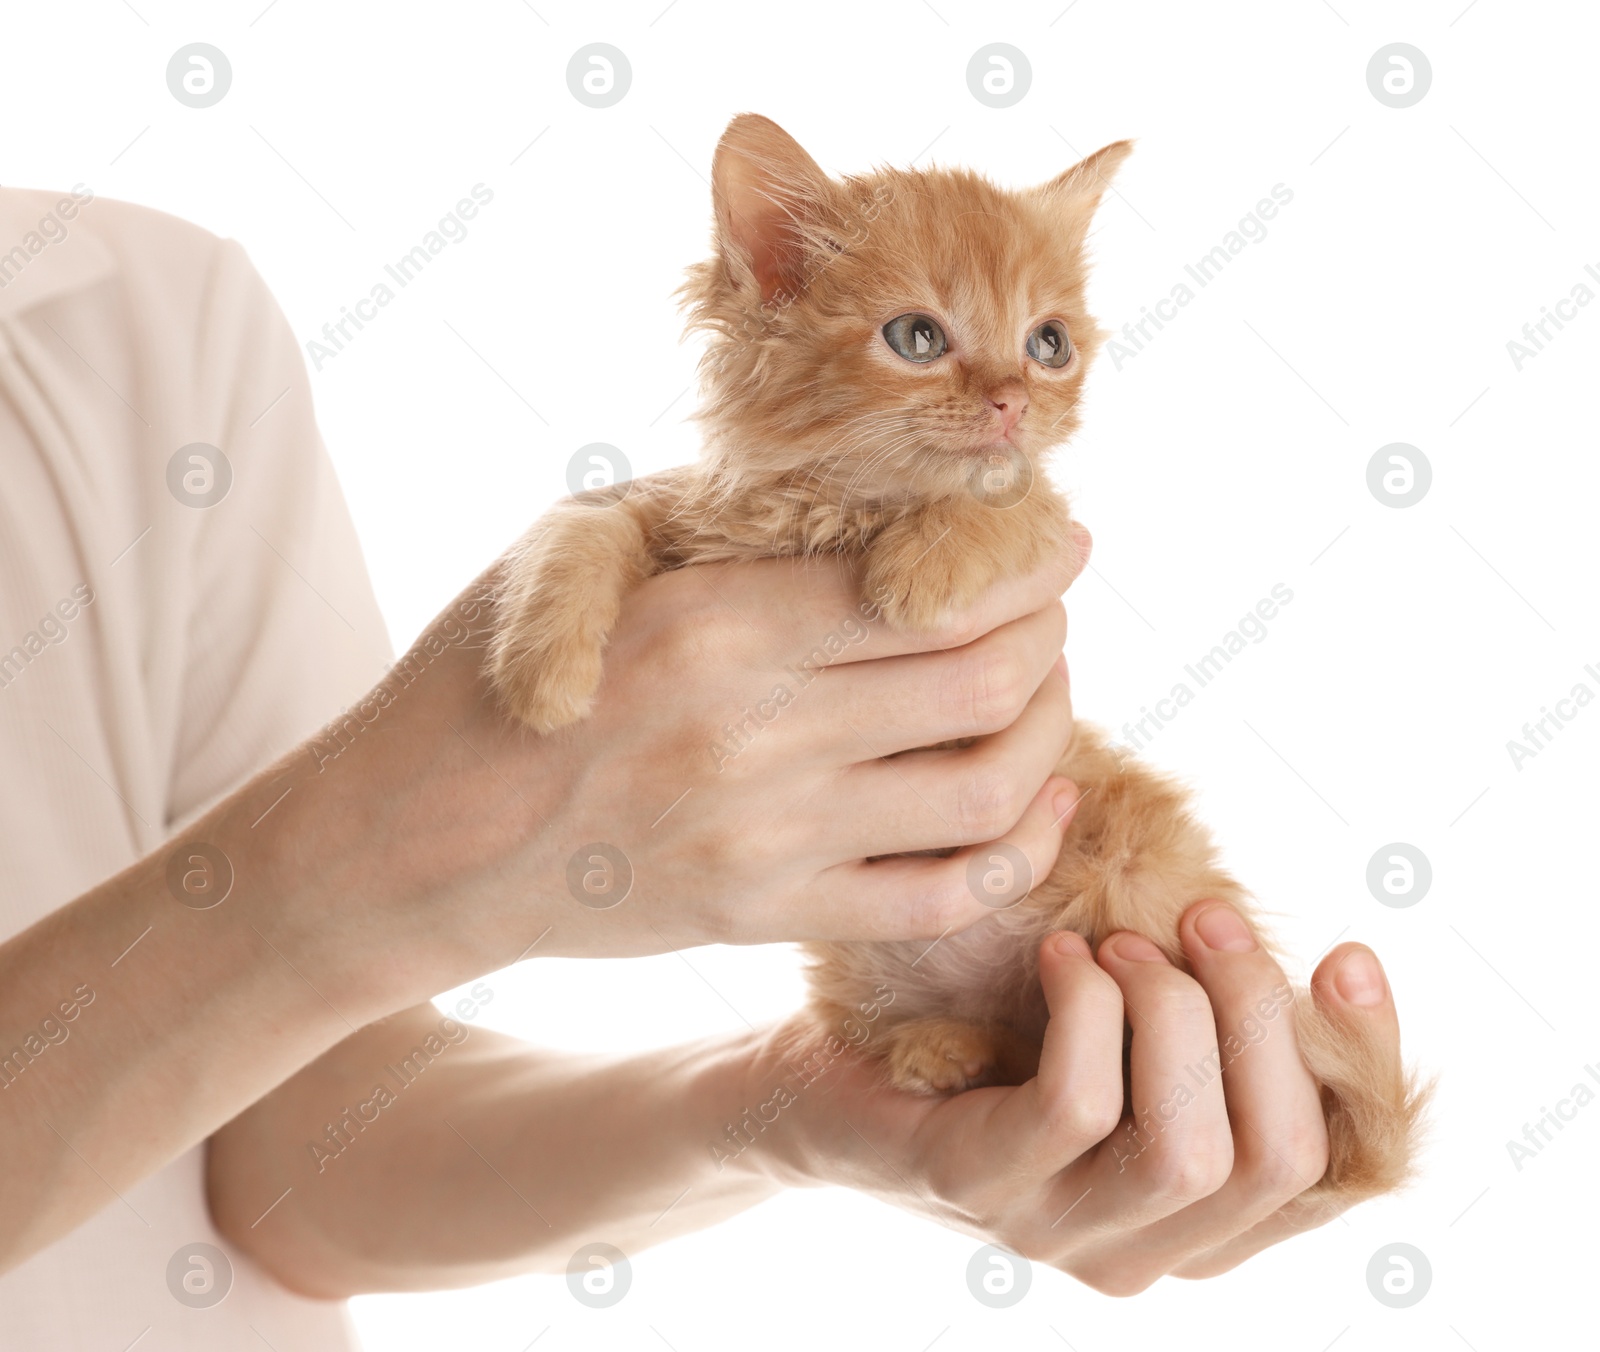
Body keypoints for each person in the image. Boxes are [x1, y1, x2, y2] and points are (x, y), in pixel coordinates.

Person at [0, 186, 1407, 1349]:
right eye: (924, 335)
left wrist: (784, 1113)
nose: (999, 394)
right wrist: (385, 858)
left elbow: (288, 1155)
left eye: (1044, 344)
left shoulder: (137, 320)